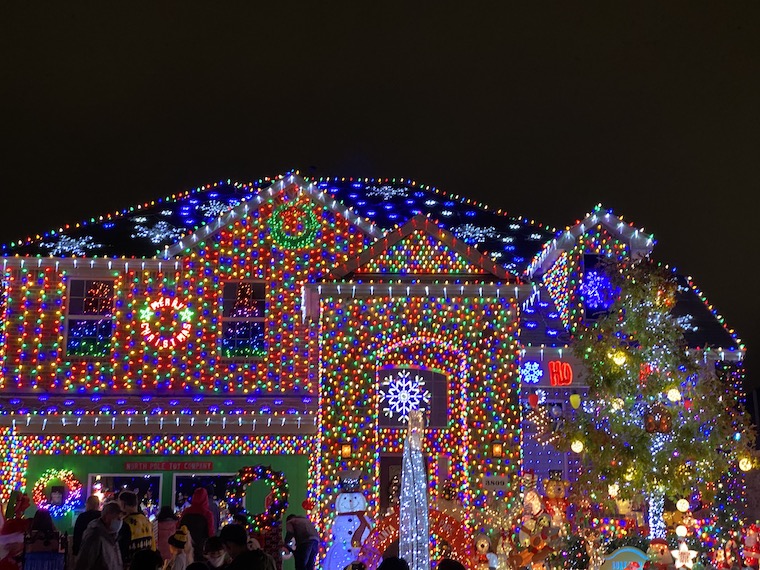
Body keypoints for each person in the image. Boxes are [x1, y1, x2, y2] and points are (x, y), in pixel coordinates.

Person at [74, 501, 124, 570]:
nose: (120, 522)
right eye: (118, 518)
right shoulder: (95, 536)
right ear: (107, 517)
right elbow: (84, 564)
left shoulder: (113, 536)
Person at [118, 491, 156, 568]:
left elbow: (120, 552)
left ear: (123, 504)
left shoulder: (125, 523)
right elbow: (153, 547)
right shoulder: (147, 521)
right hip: (147, 565)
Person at [178, 489, 214, 563]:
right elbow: (210, 533)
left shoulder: (186, 512)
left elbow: (179, 527)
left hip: (186, 547)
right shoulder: (207, 514)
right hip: (201, 549)